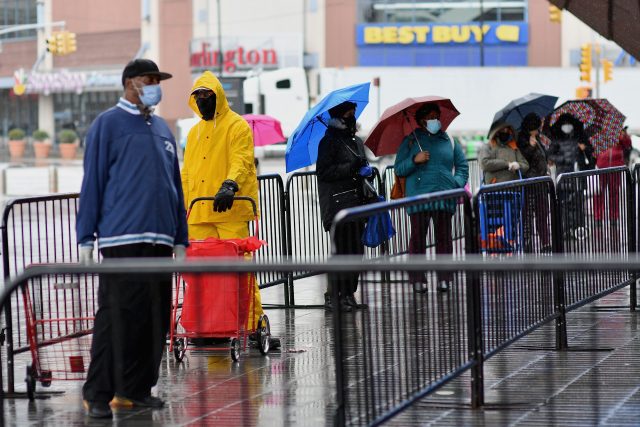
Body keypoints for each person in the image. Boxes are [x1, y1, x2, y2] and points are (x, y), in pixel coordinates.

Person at [76, 59, 189, 418]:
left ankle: (137, 388)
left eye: (158, 80)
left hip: (159, 239)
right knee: (116, 317)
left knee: (153, 317)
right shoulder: (107, 125)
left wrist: (180, 238)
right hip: (122, 237)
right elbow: (92, 181)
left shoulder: (161, 128)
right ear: (129, 83)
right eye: (148, 79)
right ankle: (98, 393)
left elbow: (175, 185)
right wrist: (86, 237)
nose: (155, 85)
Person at [180, 71, 280, 349]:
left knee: (240, 271)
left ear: (218, 96)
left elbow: (242, 160)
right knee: (199, 274)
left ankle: (252, 323)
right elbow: (187, 173)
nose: (202, 101)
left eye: (207, 96)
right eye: (197, 96)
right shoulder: (194, 132)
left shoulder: (237, 126)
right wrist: (182, 203)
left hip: (229, 209)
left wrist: (230, 185)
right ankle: (206, 326)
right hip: (198, 212)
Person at [394, 103, 469, 292]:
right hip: (419, 197)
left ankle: (445, 278)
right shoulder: (411, 141)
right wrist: (414, 160)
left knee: (444, 239)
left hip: (445, 196)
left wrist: (455, 183)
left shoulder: (449, 140)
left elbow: (462, 167)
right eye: (430, 116)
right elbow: (399, 169)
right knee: (418, 239)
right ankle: (417, 279)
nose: (435, 120)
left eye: (437, 115)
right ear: (420, 121)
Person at [317, 101, 374, 311]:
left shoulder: (356, 141)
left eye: (354, 113)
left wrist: (368, 171)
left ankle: (349, 294)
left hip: (357, 204)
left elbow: (362, 166)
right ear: (339, 116)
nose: (352, 116)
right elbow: (324, 172)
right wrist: (352, 167)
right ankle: (335, 296)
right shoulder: (329, 141)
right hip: (338, 205)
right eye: (348, 113)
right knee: (342, 252)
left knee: (356, 252)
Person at [547, 113, 594, 240]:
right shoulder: (556, 140)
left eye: (569, 123)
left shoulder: (580, 138)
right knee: (564, 206)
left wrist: (585, 148)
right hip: (563, 178)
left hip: (578, 178)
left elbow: (591, 154)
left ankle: (578, 230)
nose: (567, 126)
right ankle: (566, 231)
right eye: (564, 123)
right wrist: (563, 159)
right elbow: (550, 156)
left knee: (578, 206)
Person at [516, 113, 551, 252]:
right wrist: (530, 147)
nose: (539, 130)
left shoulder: (537, 138)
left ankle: (545, 243)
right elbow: (523, 160)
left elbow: (542, 156)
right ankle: (527, 242)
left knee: (543, 213)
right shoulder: (522, 140)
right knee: (528, 215)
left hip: (541, 182)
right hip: (530, 183)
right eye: (537, 127)